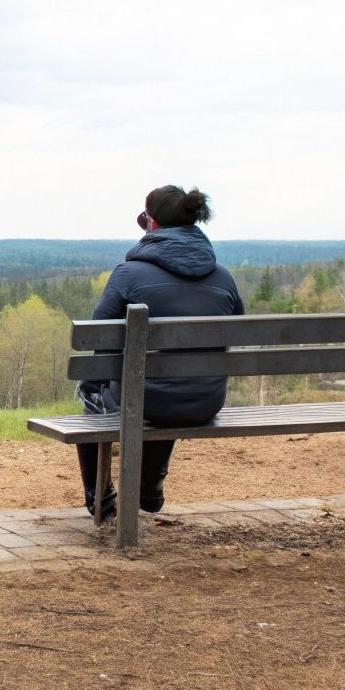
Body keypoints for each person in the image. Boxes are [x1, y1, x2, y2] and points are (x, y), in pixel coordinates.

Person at [78, 185, 243, 519]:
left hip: (146, 402)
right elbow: (237, 329)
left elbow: (98, 337)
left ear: (150, 223)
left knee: (95, 392)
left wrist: (96, 383)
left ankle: (100, 498)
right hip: (205, 401)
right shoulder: (223, 277)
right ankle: (148, 487)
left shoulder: (128, 273)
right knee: (168, 382)